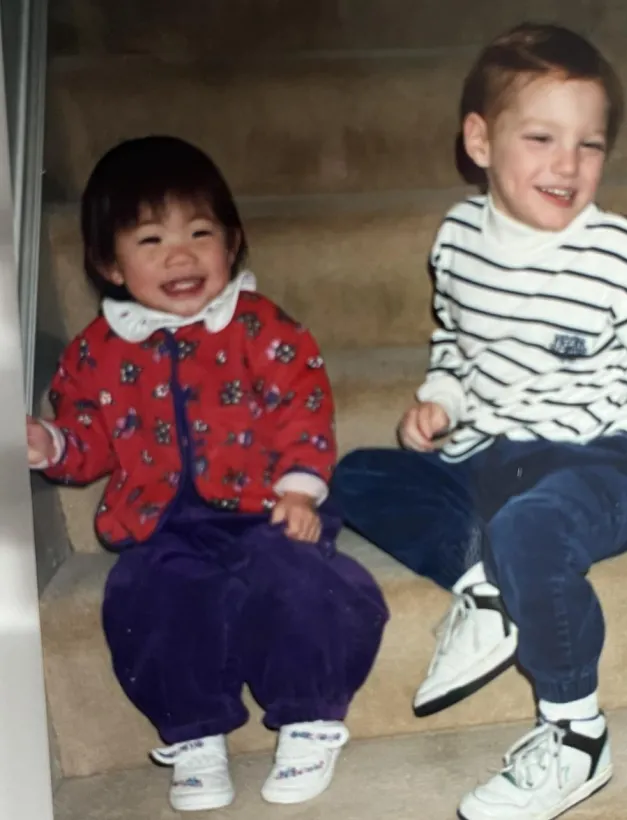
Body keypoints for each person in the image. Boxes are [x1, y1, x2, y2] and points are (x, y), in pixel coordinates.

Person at [330, 23, 627, 820]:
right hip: (493, 453)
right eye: (542, 137)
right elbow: (458, 343)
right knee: (357, 475)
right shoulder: (455, 241)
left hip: (604, 463)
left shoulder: (619, 253)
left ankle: (576, 736)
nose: (569, 164)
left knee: (531, 532)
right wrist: (442, 400)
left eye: (591, 145)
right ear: (479, 141)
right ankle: (484, 582)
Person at [27, 136, 388, 812]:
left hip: (267, 506)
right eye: (151, 240)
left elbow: (301, 406)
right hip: (161, 520)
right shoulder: (97, 353)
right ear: (109, 262)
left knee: (301, 578)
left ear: (233, 241)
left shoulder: (261, 326)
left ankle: (309, 713)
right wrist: (50, 445)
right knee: (147, 592)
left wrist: (299, 488)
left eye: (200, 232)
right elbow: (91, 441)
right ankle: (194, 734)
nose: (182, 254)